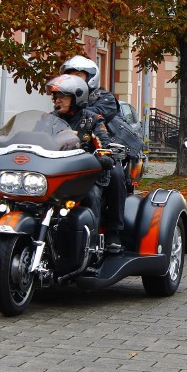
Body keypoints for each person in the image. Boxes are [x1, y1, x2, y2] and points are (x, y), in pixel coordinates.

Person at [46, 73, 126, 253]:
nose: (57, 101)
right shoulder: (48, 120)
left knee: (91, 195)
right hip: (54, 172)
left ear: (76, 98)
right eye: (55, 97)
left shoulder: (92, 119)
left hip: (86, 174)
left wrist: (105, 156)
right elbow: (34, 139)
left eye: (62, 97)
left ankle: (96, 241)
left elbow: (103, 143)